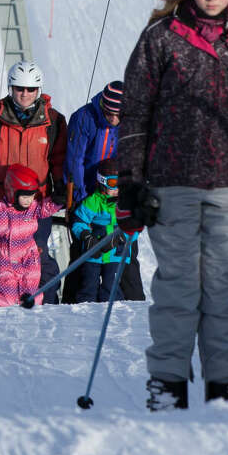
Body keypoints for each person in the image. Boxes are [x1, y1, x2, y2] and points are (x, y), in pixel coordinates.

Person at [115, 0, 228, 411]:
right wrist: (130, 186)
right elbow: (136, 114)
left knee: (223, 286)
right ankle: (168, 381)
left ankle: (225, 383)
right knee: (179, 285)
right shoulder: (160, 39)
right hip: (172, 183)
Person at [63, 81, 143, 303]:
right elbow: (75, 161)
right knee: (84, 254)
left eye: (120, 115)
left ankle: (133, 303)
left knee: (126, 253)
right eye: (110, 114)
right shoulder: (85, 118)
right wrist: (79, 200)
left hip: (118, 193)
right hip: (89, 192)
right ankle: (72, 303)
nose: (115, 120)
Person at [0, 62, 67, 224]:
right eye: (19, 88)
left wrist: (61, 185)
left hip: (36, 200)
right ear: (10, 88)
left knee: (35, 248)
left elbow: (59, 159)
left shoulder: (54, 121)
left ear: (38, 90)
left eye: (31, 89)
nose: (25, 94)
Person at [0, 164, 61, 306]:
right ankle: (4, 315)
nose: (29, 200)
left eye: (32, 196)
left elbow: (45, 208)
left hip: (29, 255)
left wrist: (58, 200)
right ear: (12, 192)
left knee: (32, 285)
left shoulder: (33, 207)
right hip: (5, 257)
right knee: (6, 289)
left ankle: (33, 311)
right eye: (25, 196)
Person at [70, 162, 126, 305]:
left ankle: (114, 312)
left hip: (114, 253)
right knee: (89, 284)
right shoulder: (92, 202)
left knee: (111, 285)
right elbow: (78, 221)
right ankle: (85, 311)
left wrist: (119, 237)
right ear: (102, 181)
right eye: (113, 183)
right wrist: (86, 236)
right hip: (94, 252)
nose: (116, 189)